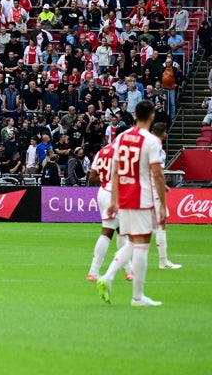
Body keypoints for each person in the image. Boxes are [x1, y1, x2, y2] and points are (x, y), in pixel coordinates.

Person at [97, 101, 166, 307]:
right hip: (142, 196)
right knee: (142, 245)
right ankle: (137, 297)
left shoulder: (122, 137)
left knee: (133, 242)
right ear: (152, 116)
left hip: (124, 195)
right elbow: (158, 175)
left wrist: (114, 200)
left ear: (135, 114)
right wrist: (162, 205)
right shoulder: (151, 141)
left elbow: (115, 171)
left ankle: (108, 277)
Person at [86, 141, 132, 281]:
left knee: (121, 231)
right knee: (109, 232)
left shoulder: (102, 151)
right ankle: (93, 271)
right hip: (115, 193)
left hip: (103, 191)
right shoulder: (124, 151)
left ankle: (129, 271)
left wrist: (106, 178)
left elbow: (92, 177)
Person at [150, 122, 182, 270]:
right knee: (161, 225)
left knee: (140, 230)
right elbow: (157, 173)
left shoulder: (145, 145)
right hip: (154, 192)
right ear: (164, 133)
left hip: (142, 191)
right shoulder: (158, 149)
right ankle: (163, 262)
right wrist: (161, 186)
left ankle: (123, 262)